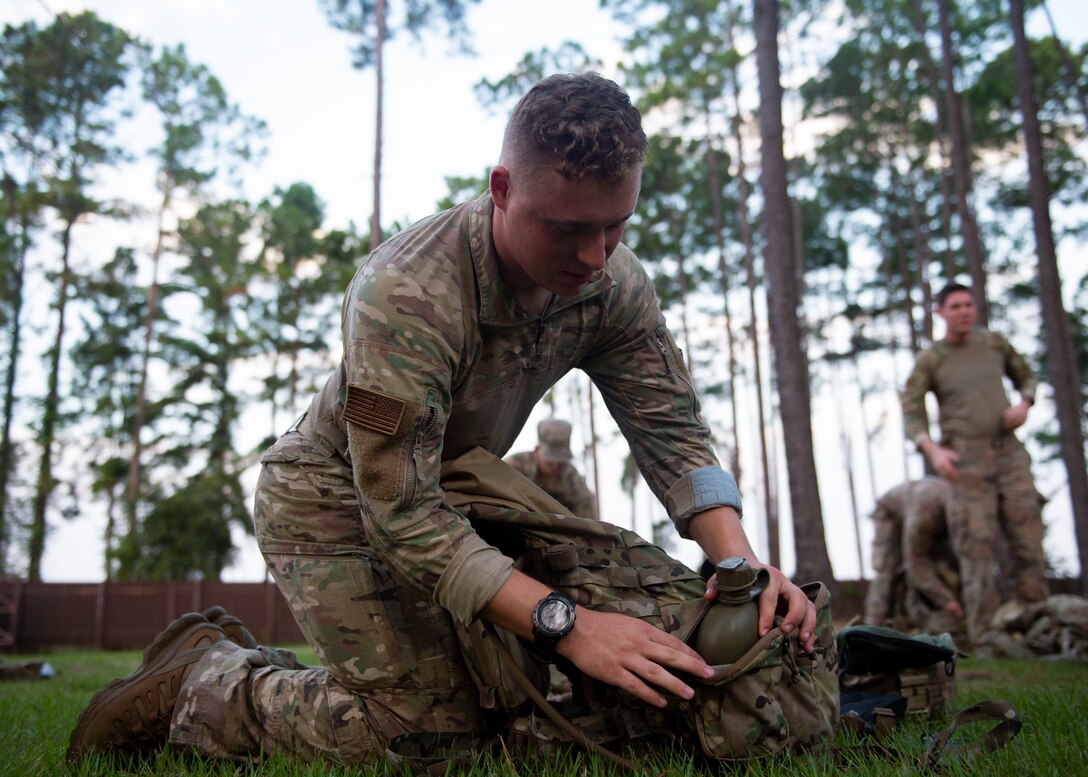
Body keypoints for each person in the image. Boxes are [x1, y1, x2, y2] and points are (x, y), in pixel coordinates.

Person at [67, 72, 816, 764]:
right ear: (501, 189)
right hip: (332, 499)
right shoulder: (407, 292)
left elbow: (672, 428)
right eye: (567, 229)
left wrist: (737, 566)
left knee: (521, 706)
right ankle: (205, 679)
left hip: (459, 492)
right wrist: (571, 624)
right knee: (427, 734)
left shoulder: (611, 283)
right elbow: (400, 510)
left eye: (616, 226)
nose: (595, 255)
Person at [900, 281, 1048, 652]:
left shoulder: (994, 344)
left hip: (1009, 454)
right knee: (976, 545)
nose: (964, 311)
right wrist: (932, 450)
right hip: (964, 460)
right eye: (955, 306)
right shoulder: (933, 358)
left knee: (1027, 538)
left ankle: (1039, 626)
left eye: (969, 305)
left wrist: (1025, 402)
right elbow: (912, 410)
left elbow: (1025, 375)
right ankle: (986, 635)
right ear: (941, 312)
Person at [863, 477, 965, 640]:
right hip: (890, 514)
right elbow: (915, 564)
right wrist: (947, 601)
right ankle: (870, 633)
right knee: (886, 571)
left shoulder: (961, 508)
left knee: (946, 566)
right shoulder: (924, 513)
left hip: (929, 518)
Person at [505, 418, 598, 519]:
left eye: (560, 461)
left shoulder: (571, 477)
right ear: (537, 452)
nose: (555, 466)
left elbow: (586, 510)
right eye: (550, 461)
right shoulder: (515, 466)